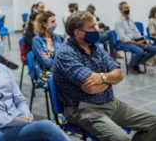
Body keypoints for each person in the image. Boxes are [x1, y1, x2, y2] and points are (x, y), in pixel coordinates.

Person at [53, 11, 156, 141]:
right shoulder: (65, 54)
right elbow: (91, 88)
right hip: (83, 109)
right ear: (77, 33)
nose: (96, 30)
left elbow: (119, 74)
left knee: (154, 123)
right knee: (121, 139)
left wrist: (101, 78)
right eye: (91, 27)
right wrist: (110, 80)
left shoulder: (96, 48)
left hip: (111, 103)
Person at [115, 1, 156, 74]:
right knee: (140, 51)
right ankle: (132, 65)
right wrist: (137, 43)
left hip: (135, 41)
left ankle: (134, 64)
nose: (128, 9)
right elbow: (123, 38)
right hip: (124, 42)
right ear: (121, 10)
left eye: (128, 7)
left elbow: (137, 33)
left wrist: (143, 41)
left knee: (153, 49)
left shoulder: (130, 20)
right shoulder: (118, 22)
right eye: (126, 8)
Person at [32, 11, 62, 87]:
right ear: (45, 24)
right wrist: (57, 60)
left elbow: (63, 57)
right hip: (44, 74)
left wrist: (49, 57)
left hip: (57, 70)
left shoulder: (57, 37)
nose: (55, 24)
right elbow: (46, 63)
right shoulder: (37, 40)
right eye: (52, 22)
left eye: (55, 21)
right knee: (65, 81)